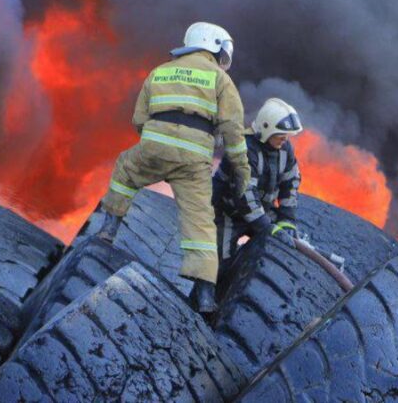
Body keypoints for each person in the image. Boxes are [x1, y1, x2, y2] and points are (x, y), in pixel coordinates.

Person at [93, 21, 252, 314]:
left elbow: (139, 118)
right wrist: (242, 170)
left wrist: (156, 146)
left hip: (153, 146)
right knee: (201, 221)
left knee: (125, 171)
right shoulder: (220, 79)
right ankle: (205, 295)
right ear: (215, 46)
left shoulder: (160, 71)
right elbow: (233, 130)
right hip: (193, 160)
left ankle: (108, 229)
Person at [212, 97, 303, 264]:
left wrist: (286, 219)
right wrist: (267, 227)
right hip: (229, 213)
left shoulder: (285, 149)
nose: (285, 139)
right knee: (218, 264)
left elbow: (291, 182)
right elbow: (244, 192)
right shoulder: (244, 149)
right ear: (266, 129)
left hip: (261, 211)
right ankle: (206, 288)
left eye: (287, 135)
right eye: (281, 135)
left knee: (284, 245)